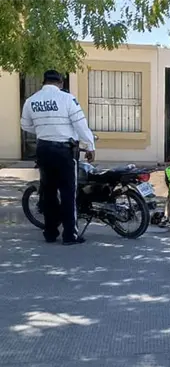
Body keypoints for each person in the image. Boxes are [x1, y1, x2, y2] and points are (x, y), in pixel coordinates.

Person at [20, 70, 96, 245]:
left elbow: (25, 125)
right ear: (60, 83)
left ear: (44, 82)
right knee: (68, 192)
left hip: (43, 149)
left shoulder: (31, 101)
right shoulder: (67, 99)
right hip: (64, 151)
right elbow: (80, 124)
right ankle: (70, 236)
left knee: (48, 192)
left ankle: (50, 233)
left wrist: (43, 129)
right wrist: (90, 145)